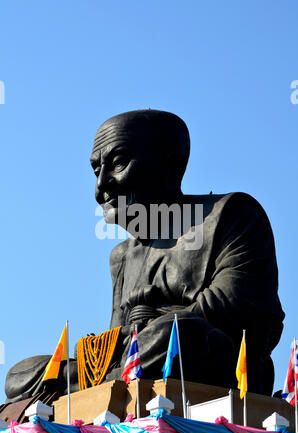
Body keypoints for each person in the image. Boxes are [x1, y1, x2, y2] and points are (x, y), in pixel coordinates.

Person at [4, 109, 284, 403]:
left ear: (172, 165)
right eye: (96, 170)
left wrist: (152, 322)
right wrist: (124, 337)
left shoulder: (230, 214)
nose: (101, 186)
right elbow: (115, 342)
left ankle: (95, 391)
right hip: (136, 359)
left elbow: (238, 310)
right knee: (21, 375)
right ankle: (104, 387)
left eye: (118, 163)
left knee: (174, 334)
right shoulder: (121, 257)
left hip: (210, 363)